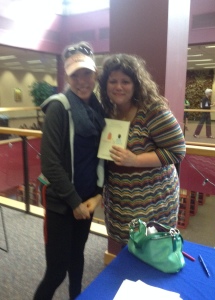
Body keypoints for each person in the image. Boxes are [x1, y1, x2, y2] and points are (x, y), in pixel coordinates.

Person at [33, 41, 105, 300]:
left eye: (87, 73)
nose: (82, 80)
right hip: (63, 204)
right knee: (56, 271)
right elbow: (50, 163)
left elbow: (100, 155)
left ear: (95, 74)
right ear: (67, 76)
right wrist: (74, 202)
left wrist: (96, 196)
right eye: (76, 74)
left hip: (86, 202)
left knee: (77, 260)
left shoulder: (97, 109)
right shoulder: (58, 107)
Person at [98, 53, 186, 255]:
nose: (118, 86)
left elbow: (177, 151)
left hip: (154, 201)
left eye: (125, 81)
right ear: (105, 85)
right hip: (120, 201)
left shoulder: (152, 110)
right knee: (125, 252)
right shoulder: (107, 112)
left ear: (136, 84)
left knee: (152, 255)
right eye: (113, 81)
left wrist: (135, 159)